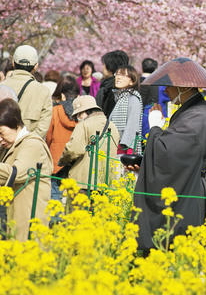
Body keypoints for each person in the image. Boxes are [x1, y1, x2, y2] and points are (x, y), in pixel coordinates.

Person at [128, 57, 206, 252]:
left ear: (183, 87)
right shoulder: (193, 112)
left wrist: (154, 128)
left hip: (189, 191)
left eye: (169, 87)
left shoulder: (198, 116)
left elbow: (170, 152)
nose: (166, 91)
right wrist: (145, 162)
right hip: (187, 185)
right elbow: (174, 152)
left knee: (183, 248)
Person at [0, 98, 53, 241]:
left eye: (1, 132)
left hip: (29, 221)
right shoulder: (9, 146)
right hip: (14, 217)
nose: (0, 139)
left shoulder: (32, 144)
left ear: (16, 125)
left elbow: (16, 173)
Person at [58, 96, 120, 190]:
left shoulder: (84, 125)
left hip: (83, 181)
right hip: (106, 182)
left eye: (77, 115)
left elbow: (74, 150)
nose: (77, 119)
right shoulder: (113, 126)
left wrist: (62, 161)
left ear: (83, 112)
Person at [2, 45, 52, 139]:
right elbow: (43, 128)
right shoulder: (43, 91)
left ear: (13, 63)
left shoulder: (2, 86)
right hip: (27, 148)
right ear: (36, 66)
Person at [46, 75, 80, 199]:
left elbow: (48, 137)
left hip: (56, 160)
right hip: (75, 161)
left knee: (55, 196)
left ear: (62, 95)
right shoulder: (81, 114)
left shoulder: (55, 111)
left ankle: (55, 219)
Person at [110, 65, 143, 155]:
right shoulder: (120, 98)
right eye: (117, 74)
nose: (118, 77)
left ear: (132, 81)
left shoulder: (133, 98)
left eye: (123, 75)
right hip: (114, 145)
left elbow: (132, 127)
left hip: (124, 149)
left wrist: (125, 148)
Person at [140, 58, 170, 138]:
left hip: (138, 120)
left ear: (142, 67)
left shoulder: (135, 82)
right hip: (155, 117)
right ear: (155, 69)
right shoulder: (160, 84)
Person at [96, 50, 129, 117]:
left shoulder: (107, 89)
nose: (102, 68)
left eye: (104, 64)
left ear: (110, 66)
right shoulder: (129, 86)